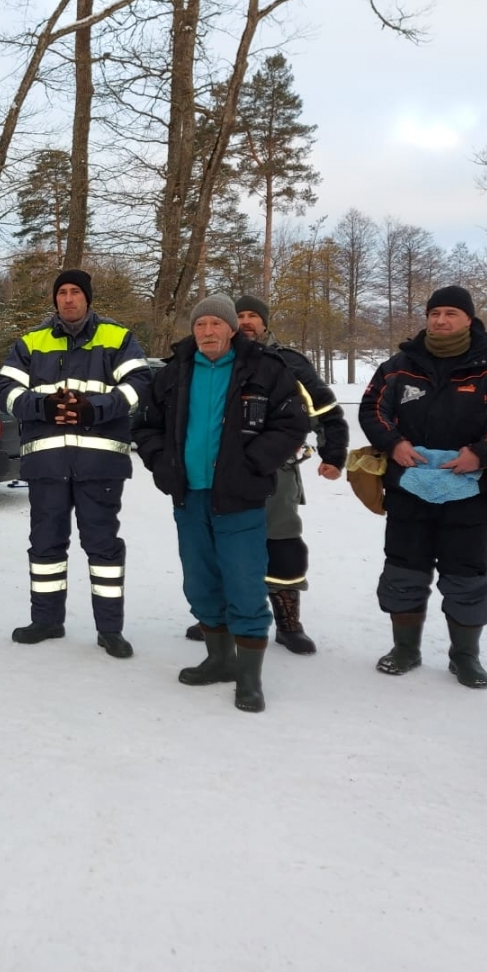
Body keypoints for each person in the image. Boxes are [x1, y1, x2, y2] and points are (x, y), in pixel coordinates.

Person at [132, 294, 308, 712]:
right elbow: (146, 424)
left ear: (231, 328)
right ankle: (218, 660)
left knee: (245, 584)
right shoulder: (174, 372)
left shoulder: (265, 369)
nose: (207, 332)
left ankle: (248, 678)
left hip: (240, 498)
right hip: (189, 495)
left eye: (216, 324)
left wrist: (252, 464)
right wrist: (162, 464)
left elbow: (292, 422)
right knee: (200, 581)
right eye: (200, 325)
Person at [359, 286, 487, 687]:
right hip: (408, 488)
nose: (441, 320)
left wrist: (481, 454)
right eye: (434, 313)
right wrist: (394, 444)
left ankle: (465, 655)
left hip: (470, 495)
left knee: (467, 575)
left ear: (469, 319)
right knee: (404, 569)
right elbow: (372, 409)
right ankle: (405, 648)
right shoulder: (398, 367)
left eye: (451, 313)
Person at [0, 269, 152, 657]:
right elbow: (4, 388)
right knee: (45, 546)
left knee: (103, 549)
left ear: (88, 298)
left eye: (75, 292)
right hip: (47, 465)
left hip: (100, 466)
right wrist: (42, 405)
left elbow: (140, 386)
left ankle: (110, 630)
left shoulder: (117, 338)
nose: (68, 299)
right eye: (61, 292)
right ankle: (46, 620)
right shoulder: (31, 342)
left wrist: (92, 409)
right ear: (55, 299)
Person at [180, 294, 348, 654]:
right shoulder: (210, 361)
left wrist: (333, 454)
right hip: (219, 476)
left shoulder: (286, 362)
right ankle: (218, 617)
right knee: (219, 544)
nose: (246, 322)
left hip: (275, 473)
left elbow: (327, 408)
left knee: (281, 542)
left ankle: (288, 621)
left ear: (265, 322)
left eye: (253, 315)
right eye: (239, 316)